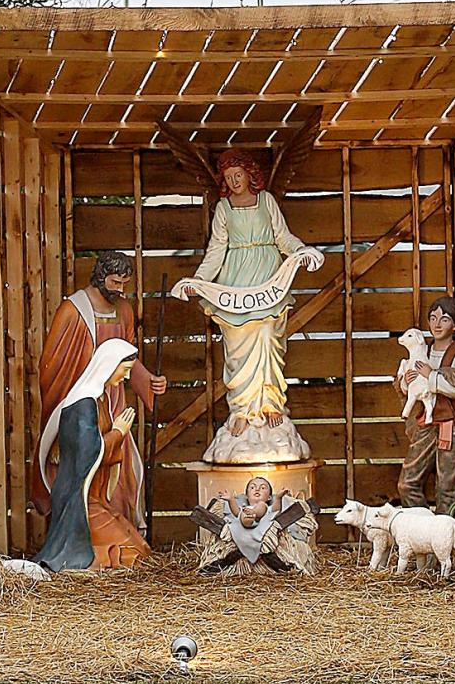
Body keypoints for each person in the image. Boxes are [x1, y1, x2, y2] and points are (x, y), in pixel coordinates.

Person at [173, 152, 323, 463]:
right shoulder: (224, 209)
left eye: (238, 175)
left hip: (269, 277)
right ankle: (241, 408)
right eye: (228, 178)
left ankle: (270, 404)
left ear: (249, 174)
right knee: (237, 347)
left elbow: (283, 237)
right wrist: (199, 280)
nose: (234, 181)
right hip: (236, 282)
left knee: (269, 337)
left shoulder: (266, 200)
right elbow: (217, 249)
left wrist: (301, 251)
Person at [33, 250, 165, 525]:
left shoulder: (125, 310)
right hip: (82, 401)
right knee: (85, 457)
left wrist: (147, 380)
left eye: (124, 284)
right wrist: (78, 395)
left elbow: (128, 356)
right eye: (115, 282)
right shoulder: (73, 311)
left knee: (120, 461)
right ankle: (84, 527)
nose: (119, 289)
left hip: (113, 398)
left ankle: (118, 521)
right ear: (101, 276)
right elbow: (52, 366)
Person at [38, 339, 153, 571]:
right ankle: (84, 564)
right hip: (79, 502)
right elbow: (86, 452)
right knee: (131, 555)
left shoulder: (99, 399)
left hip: (95, 498)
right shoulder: (83, 403)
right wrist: (118, 433)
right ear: (110, 365)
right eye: (126, 371)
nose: (128, 378)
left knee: (141, 550)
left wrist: (115, 436)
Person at [393, 297, 455, 513]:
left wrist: (432, 377)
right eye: (433, 318)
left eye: (444, 319)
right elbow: (410, 388)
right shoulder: (423, 350)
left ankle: (448, 538)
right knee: (407, 484)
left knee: (447, 491)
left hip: (451, 428)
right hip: (427, 425)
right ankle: (424, 530)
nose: (437, 324)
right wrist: (407, 380)